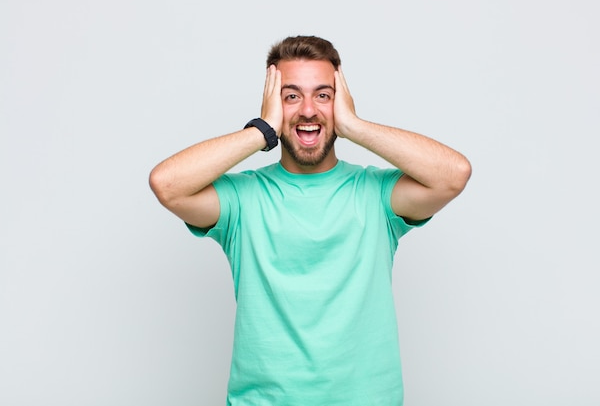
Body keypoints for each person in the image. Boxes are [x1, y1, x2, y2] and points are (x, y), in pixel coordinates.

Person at [149, 35, 471, 406]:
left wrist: (354, 125)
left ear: (341, 102)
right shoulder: (243, 199)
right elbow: (167, 184)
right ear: (273, 105)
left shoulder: (376, 194)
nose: (307, 110)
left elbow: (454, 174)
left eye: (323, 95)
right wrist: (261, 130)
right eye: (291, 96)